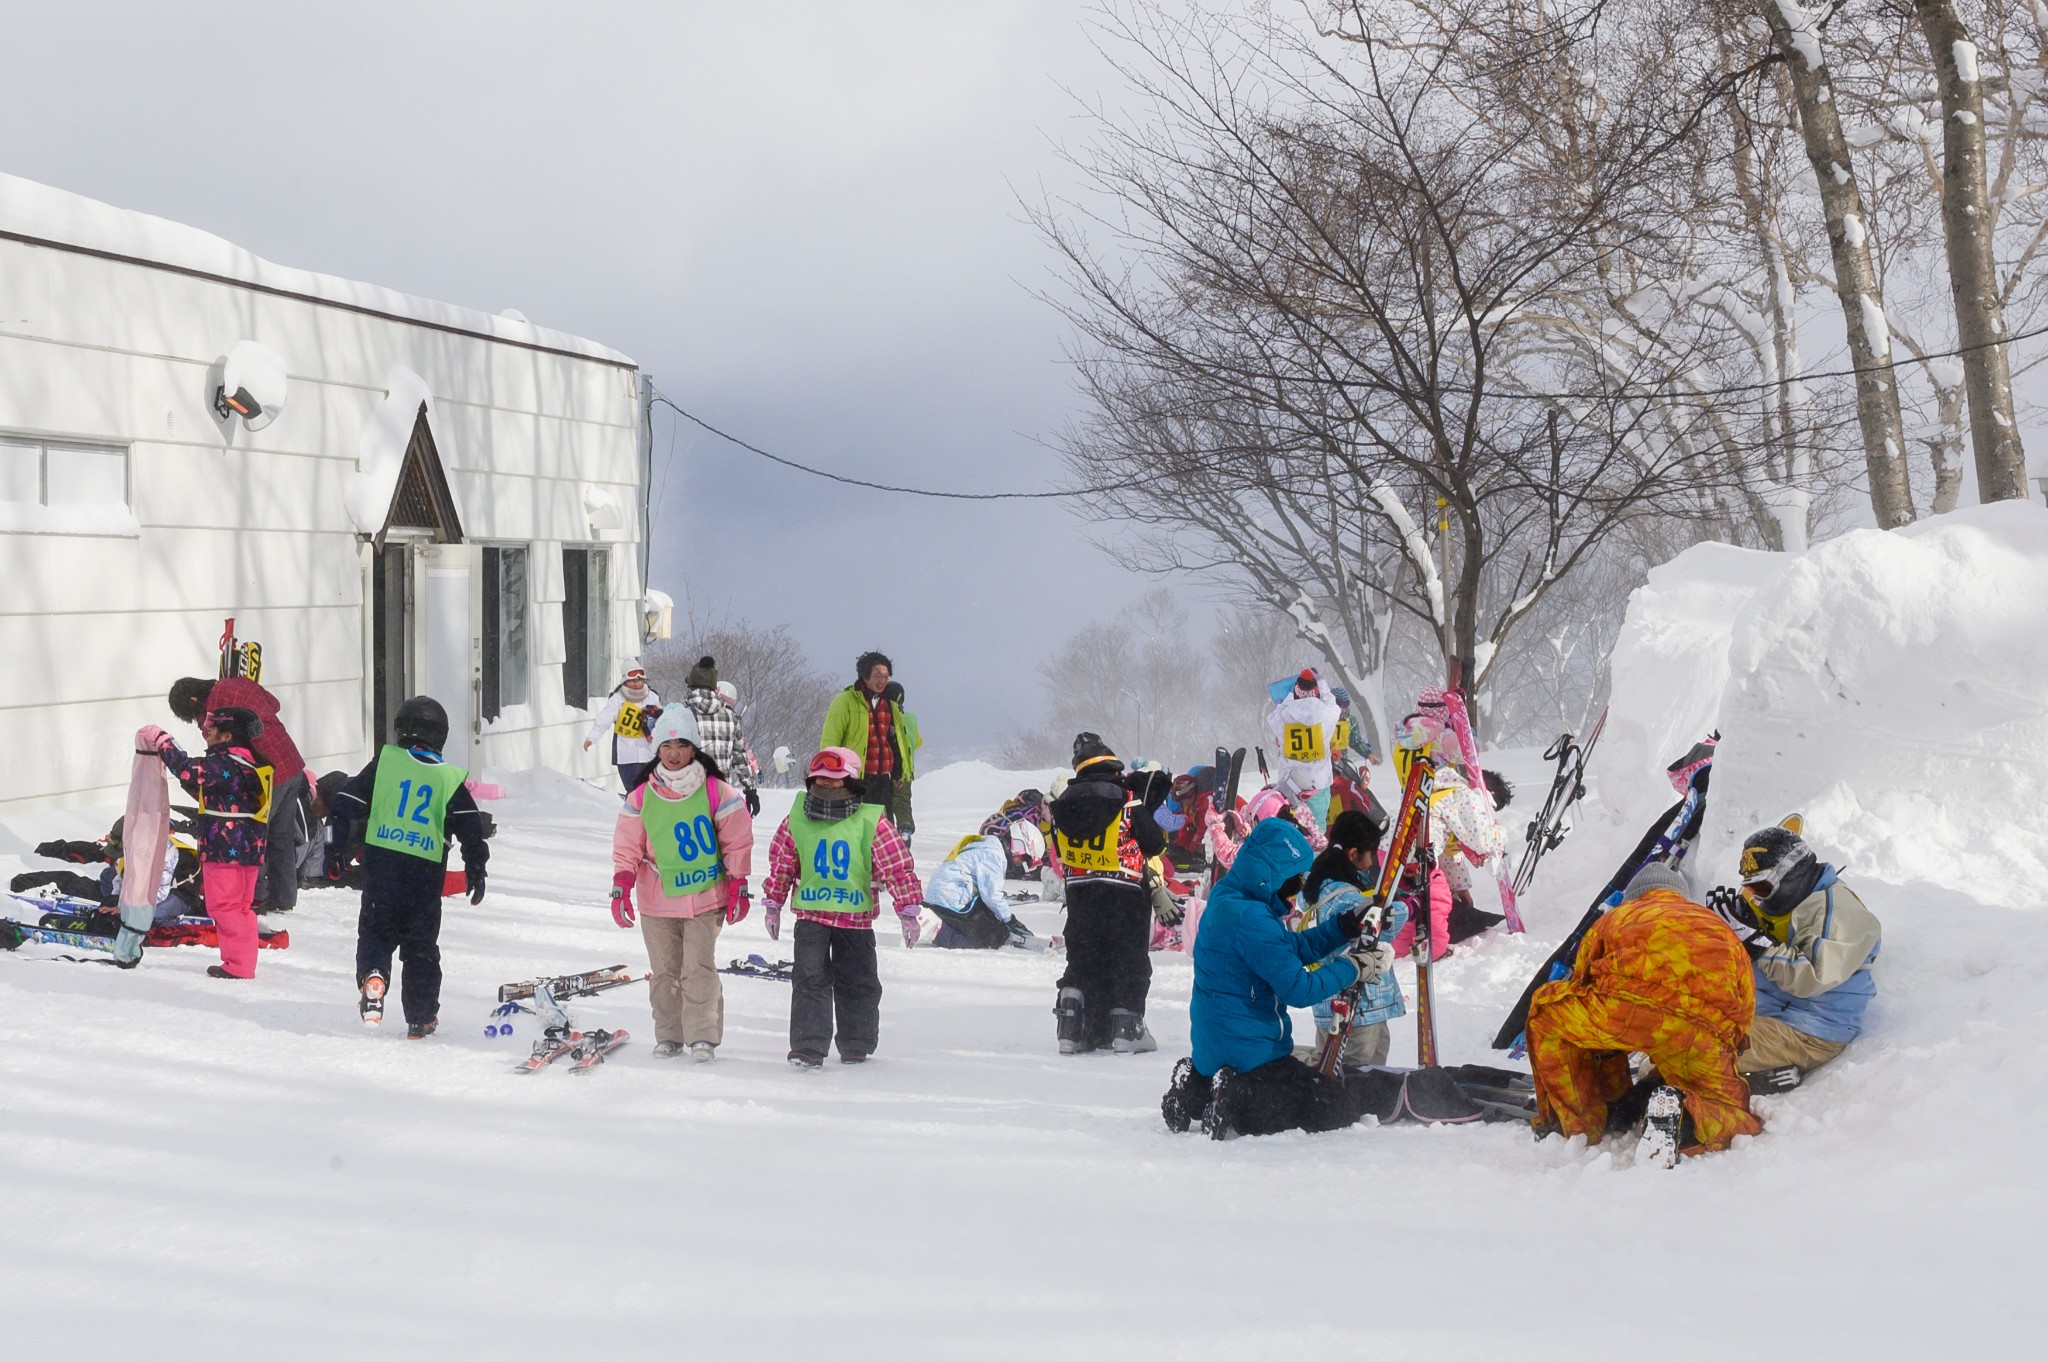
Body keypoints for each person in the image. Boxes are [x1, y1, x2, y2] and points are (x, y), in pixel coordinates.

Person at [1159, 818, 1384, 1138]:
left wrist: (1343, 927)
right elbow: (1299, 989)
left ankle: (1196, 1089)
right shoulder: (1254, 919)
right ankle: (1237, 1097)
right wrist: (1355, 967)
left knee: (1248, 1076)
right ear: (1271, 874)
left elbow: (1284, 950)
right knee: (1332, 1106)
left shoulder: (1228, 898)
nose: (1296, 889)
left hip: (1211, 1046)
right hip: (1251, 1053)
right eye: (1292, 879)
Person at [1525, 863, 1761, 1156]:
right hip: (1701, 1032)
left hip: (1625, 1014)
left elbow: (1582, 980)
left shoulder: (1618, 916)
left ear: (1634, 896)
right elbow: (1744, 1004)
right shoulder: (1718, 928)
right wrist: (1724, 1050)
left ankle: (1583, 1121)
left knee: (1548, 1012)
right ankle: (1688, 1119)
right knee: (1730, 1112)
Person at [326, 696, 490, 1037]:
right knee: (421, 950)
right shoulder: (448, 778)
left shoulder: (384, 763)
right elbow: (471, 827)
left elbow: (343, 805)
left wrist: (334, 851)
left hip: (381, 870)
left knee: (375, 933)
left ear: (400, 730)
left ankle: (374, 975)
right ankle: (421, 1018)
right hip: (424, 878)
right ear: (441, 736)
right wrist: (476, 869)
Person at [760, 748, 925, 1067]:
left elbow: (897, 866)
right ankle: (808, 1045)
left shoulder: (871, 821)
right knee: (809, 979)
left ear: (851, 782)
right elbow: (782, 863)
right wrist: (773, 902)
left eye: (835, 780)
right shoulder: (797, 817)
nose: (827, 784)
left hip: (856, 919)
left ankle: (856, 1041)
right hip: (811, 916)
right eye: (821, 779)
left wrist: (908, 909)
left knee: (858, 981)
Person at [609, 710, 753, 1060]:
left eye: (682, 745)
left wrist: (738, 884)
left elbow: (737, 840)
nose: (674, 753)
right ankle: (670, 1034)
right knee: (665, 971)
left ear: (694, 749)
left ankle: (702, 1034)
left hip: (705, 895)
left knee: (698, 967)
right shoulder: (641, 796)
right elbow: (627, 845)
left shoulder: (718, 791)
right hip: (657, 898)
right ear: (657, 750)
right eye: (667, 745)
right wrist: (621, 887)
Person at [1707, 820, 1882, 1080]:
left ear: (1791, 876)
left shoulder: (1841, 913)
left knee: (1701, 1052)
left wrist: (1758, 944)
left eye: (1763, 888)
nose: (1757, 897)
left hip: (1811, 1030)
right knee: (1677, 1032)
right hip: (1768, 1010)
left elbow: (1810, 978)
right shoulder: (1783, 902)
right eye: (1751, 888)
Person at [1049, 734, 1168, 1055]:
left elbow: (1058, 852)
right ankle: (1127, 1028)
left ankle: (1074, 1027)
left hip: (1079, 893)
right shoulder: (1127, 799)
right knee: (1129, 959)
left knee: (1084, 958)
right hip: (1125, 892)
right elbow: (1155, 844)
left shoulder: (1061, 805)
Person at [139, 706, 270, 979]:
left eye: (211, 730)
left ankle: (238, 966)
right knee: (241, 907)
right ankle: (243, 962)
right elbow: (207, 788)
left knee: (223, 906)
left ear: (227, 735)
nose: (206, 733)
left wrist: (163, 741)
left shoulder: (225, 763)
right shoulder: (248, 763)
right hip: (248, 848)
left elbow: (188, 771)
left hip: (225, 848)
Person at [168, 675, 308, 913]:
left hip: (266, 773)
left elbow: (220, 754)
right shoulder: (236, 683)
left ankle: (253, 897)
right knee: (281, 836)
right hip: (290, 762)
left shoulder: (215, 713)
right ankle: (283, 897)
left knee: (253, 834)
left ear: (192, 700)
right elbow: (274, 704)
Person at [1298, 810, 1411, 1067]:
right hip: (1357, 1006)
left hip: (1333, 1003)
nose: (1372, 863)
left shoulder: (1316, 888)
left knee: (1361, 1074)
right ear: (1353, 854)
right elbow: (1382, 923)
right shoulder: (1345, 899)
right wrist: (1409, 904)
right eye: (1371, 853)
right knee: (1355, 1078)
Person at [818, 652, 915, 844]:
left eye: (887, 676)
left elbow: (899, 742)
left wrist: (900, 773)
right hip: (855, 780)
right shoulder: (845, 701)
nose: (883, 681)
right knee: (853, 833)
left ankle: (882, 872)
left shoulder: (891, 703)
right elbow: (830, 743)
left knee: (883, 834)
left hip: (883, 780)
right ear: (864, 675)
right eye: (878, 675)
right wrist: (829, 777)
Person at [674, 656, 761, 817]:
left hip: (686, 792)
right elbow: (739, 756)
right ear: (714, 687)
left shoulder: (680, 715)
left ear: (690, 686)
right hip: (719, 793)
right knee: (716, 838)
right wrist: (750, 790)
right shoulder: (730, 716)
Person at [925, 834, 1038, 950]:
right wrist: (1010, 920)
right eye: (1023, 858)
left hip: (942, 894)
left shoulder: (987, 845)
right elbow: (991, 896)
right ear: (1018, 846)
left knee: (989, 917)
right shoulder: (995, 855)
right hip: (949, 898)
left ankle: (941, 924)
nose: (1018, 862)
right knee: (988, 935)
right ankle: (939, 932)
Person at [1267, 668, 1342, 826]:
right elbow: (1332, 702)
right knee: (1317, 831)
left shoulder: (1282, 717)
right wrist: (1321, 682)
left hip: (1290, 785)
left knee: (1290, 830)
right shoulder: (1328, 715)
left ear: (1295, 692)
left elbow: (1274, 714)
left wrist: (1290, 695)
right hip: (1318, 784)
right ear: (1316, 692)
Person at [583, 666, 662, 791]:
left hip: (649, 754)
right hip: (627, 755)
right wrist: (592, 737)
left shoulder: (652, 697)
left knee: (652, 792)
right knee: (634, 792)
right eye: (632, 681)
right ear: (624, 681)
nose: (636, 684)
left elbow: (662, 721)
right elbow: (605, 718)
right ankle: (632, 809)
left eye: (639, 680)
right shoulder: (618, 699)